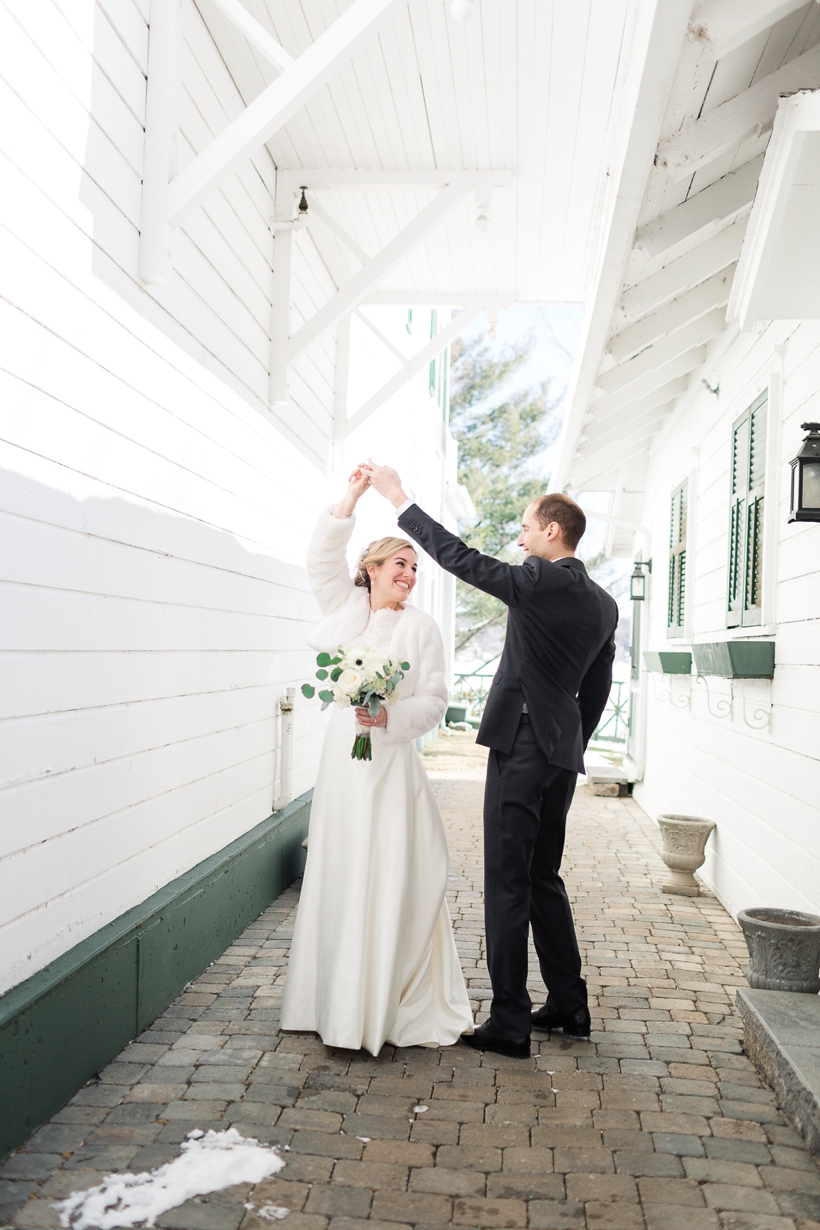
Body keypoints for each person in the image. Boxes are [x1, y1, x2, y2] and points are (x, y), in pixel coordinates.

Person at [362, 461, 618, 1060]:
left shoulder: (535, 578)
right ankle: (568, 1004)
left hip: (523, 744)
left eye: (527, 527)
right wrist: (571, 740)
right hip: (561, 751)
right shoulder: (604, 604)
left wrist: (401, 498)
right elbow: (599, 688)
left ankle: (509, 1021)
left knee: (507, 880)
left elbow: (461, 559)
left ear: (553, 532)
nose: (520, 537)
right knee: (542, 877)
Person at [280, 470, 474, 1055]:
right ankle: (332, 1002)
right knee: (342, 860)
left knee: (388, 863)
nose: (409, 578)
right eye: (400, 566)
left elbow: (434, 701)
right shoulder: (345, 607)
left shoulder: (422, 629)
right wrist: (350, 500)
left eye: (415, 569)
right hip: (345, 760)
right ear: (373, 570)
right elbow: (320, 559)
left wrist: (388, 720)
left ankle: (387, 999)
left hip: (390, 764)